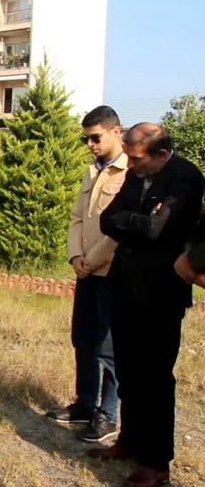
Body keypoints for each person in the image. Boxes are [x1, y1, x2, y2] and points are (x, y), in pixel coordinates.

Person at [92, 122, 203, 487]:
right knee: (129, 372)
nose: (131, 164)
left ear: (160, 153)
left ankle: (156, 464)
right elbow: (109, 220)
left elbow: (162, 231)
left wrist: (136, 225)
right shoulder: (137, 173)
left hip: (161, 293)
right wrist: (142, 221)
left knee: (154, 379)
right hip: (124, 285)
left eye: (137, 158)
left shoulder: (185, 177)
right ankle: (130, 441)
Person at [46, 106, 126, 442]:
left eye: (96, 137)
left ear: (115, 132)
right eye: (87, 139)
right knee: (84, 339)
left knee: (110, 347)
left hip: (111, 272)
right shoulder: (92, 171)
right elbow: (77, 217)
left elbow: (118, 229)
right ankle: (85, 404)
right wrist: (75, 256)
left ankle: (108, 414)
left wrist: (92, 259)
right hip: (86, 271)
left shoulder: (128, 172)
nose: (90, 144)